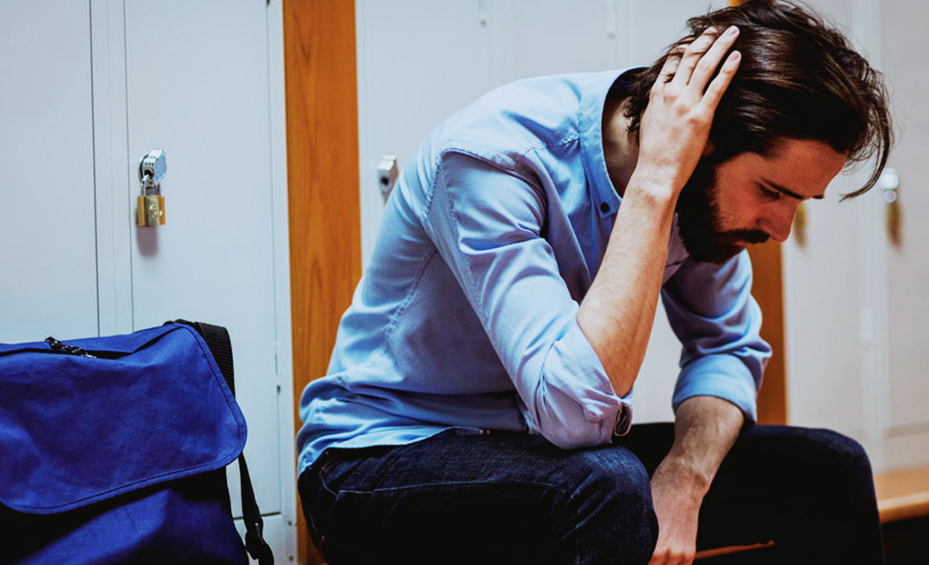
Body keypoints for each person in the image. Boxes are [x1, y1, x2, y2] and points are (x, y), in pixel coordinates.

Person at [297, 1, 892, 563]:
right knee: (606, 484)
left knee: (830, 471)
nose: (782, 229)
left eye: (801, 202)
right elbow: (573, 416)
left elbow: (727, 348)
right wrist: (656, 181)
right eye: (771, 192)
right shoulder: (494, 156)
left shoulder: (711, 210)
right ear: (700, 142)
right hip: (376, 462)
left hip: (538, 454)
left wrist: (684, 477)